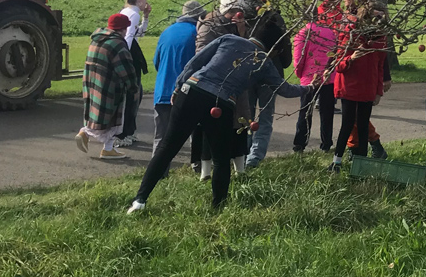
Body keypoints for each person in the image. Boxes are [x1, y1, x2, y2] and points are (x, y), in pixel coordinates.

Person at [127, 35, 307, 213]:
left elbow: (194, 63)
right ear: (272, 49)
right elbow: (285, 89)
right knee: (221, 158)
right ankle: (217, 207)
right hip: (221, 102)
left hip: (193, 89)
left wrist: (178, 86)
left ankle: (140, 199)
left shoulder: (228, 39)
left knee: (167, 147)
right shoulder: (264, 62)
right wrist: (310, 87)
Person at [194, 0, 250, 178]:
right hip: (214, 85)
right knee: (211, 129)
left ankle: (240, 171)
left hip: (236, 84)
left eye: (239, 11)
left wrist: (241, 33)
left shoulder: (237, 26)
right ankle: (206, 172)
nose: (237, 15)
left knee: (239, 126)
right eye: (234, 11)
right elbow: (202, 54)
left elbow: (247, 51)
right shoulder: (210, 26)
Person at [330, 6, 388, 172]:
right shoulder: (351, 34)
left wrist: (378, 91)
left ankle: (361, 165)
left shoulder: (380, 38)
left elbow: (379, 66)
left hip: (367, 88)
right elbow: (339, 65)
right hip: (349, 87)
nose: (378, 21)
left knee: (363, 126)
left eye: (381, 17)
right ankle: (336, 162)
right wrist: (351, 59)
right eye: (375, 17)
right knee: (347, 124)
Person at [150, 0, 203, 174]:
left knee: (161, 138)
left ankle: (157, 173)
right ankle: (199, 167)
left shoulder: (166, 32)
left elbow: (157, 62)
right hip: (187, 92)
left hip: (163, 90)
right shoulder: (197, 34)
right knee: (196, 131)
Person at [76, 13, 138, 160]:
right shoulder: (117, 44)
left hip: (93, 85)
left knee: (100, 116)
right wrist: (133, 88)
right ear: (122, 29)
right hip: (111, 88)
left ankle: (108, 149)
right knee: (112, 118)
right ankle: (85, 133)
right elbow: (126, 70)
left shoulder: (96, 40)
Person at [245, 0, 293, 170]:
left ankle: (244, 152)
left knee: (245, 115)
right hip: (271, 73)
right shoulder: (277, 23)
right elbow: (286, 57)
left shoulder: (247, 21)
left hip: (248, 72)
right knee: (265, 117)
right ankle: (255, 157)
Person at [291, 0, 340, 153]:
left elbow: (299, 59)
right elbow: (335, 54)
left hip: (309, 77)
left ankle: (300, 143)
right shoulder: (330, 32)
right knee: (327, 112)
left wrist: (301, 74)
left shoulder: (303, 33)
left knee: (305, 111)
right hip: (328, 77)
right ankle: (326, 143)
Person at [115, 0, 151, 147]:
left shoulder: (126, 11)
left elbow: (139, 34)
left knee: (136, 94)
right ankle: (125, 134)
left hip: (126, 55)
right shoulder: (134, 14)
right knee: (133, 96)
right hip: (130, 59)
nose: (146, 2)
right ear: (139, 0)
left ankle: (129, 130)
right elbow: (129, 37)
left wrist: (147, 17)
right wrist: (126, 60)